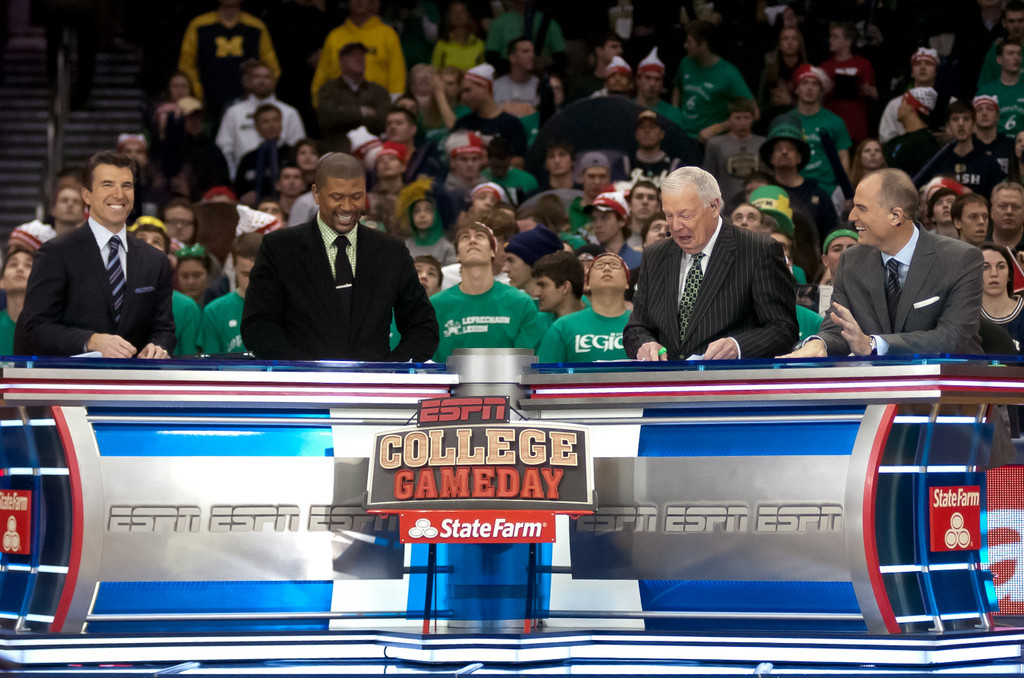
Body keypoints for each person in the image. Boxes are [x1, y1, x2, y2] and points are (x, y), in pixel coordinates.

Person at [241, 152, 438, 361]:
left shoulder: (392, 251)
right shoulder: (280, 247)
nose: (347, 207)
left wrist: (388, 371)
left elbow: (423, 328)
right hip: (303, 387)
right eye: (337, 197)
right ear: (316, 194)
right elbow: (258, 326)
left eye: (356, 197)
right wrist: (303, 371)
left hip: (373, 388)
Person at [782, 169, 983, 358]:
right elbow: (838, 326)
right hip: (879, 386)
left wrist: (873, 344)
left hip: (949, 385)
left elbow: (952, 337)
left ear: (895, 215)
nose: (852, 217)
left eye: (861, 208)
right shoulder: (851, 261)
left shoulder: (960, 259)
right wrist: (819, 343)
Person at [624, 166, 798, 361]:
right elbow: (636, 327)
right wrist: (643, 345)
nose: (675, 226)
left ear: (714, 206)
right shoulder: (654, 255)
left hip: (729, 384)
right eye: (668, 215)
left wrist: (738, 346)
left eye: (686, 215)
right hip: (668, 384)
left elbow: (783, 329)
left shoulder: (758, 250)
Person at [15, 150, 175, 358]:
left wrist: (157, 346)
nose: (119, 194)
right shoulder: (55, 253)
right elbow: (35, 328)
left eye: (126, 185)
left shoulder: (155, 260)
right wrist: (89, 341)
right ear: (86, 195)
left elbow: (164, 329)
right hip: (72, 384)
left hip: (135, 383)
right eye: (107, 184)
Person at [430, 221, 547, 362]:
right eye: (465, 238)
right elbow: (431, 365)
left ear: (493, 251)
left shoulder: (521, 303)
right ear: (458, 255)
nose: (472, 241)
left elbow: (524, 366)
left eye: (479, 236)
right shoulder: (436, 306)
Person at [177, 0, 280, 123]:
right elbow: (186, 65)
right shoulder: (199, 25)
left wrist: (259, 92)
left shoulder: (256, 27)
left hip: (248, 103)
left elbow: (272, 67)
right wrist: (198, 93)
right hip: (207, 103)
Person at [216, 60, 307, 179]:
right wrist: (232, 176)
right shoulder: (234, 112)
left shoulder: (289, 112)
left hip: (284, 177)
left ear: (274, 81)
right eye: (257, 77)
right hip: (244, 177)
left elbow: (299, 148)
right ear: (247, 81)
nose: (262, 81)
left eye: (267, 77)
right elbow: (224, 149)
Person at [672, 20, 758, 142]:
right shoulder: (685, 63)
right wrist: (675, 110)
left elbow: (754, 112)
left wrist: (716, 129)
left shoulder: (729, 73)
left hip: (710, 142)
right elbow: (677, 87)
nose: (685, 45)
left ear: (703, 44)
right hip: (682, 136)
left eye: (690, 42)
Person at [537, 251, 631, 363]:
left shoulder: (643, 325)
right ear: (587, 283)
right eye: (599, 265)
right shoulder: (562, 327)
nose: (606, 268)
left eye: (615, 265)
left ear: (627, 282)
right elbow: (543, 376)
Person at [310, 0, 406, 107]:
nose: (359, 1)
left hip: (377, 110)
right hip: (339, 110)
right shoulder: (334, 37)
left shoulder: (388, 35)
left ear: (373, 2)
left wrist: (393, 109)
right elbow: (321, 78)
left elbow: (397, 79)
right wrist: (320, 108)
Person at [128, 216, 201, 356]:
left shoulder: (186, 306)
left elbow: (190, 362)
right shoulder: (115, 296)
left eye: (157, 241)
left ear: (166, 256)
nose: (148, 244)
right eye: (141, 239)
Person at [316, 42, 393, 153]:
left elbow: (383, 120)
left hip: (372, 150)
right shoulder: (328, 89)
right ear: (341, 61)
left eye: (362, 55)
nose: (359, 59)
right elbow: (327, 119)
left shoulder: (378, 91)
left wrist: (344, 113)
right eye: (353, 55)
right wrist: (363, 111)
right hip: (338, 150)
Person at [199, 232, 262, 354]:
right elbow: (212, 366)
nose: (252, 281)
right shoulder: (214, 312)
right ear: (233, 265)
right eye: (245, 274)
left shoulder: (282, 308)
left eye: (258, 274)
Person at [0, 223, 55, 355]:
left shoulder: (50, 329)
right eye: (13, 264)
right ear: (1, 282)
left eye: (28, 265)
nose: (20, 269)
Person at [819, 22, 877, 146]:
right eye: (831, 36)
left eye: (835, 37)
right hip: (831, 127)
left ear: (848, 42)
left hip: (857, 128)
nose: (831, 40)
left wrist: (870, 91)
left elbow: (874, 94)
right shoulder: (825, 67)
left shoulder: (863, 65)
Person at [702, 98, 766, 201]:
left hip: (757, 199)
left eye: (746, 118)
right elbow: (708, 177)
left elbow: (767, 177)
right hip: (726, 201)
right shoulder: (716, 144)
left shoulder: (762, 143)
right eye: (738, 118)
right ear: (729, 119)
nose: (742, 122)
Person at [878, 48, 939, 144]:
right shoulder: (895, 104)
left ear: (936, 71)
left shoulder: (950, 102)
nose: (922, 67)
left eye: (928, 63)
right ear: (912, 72)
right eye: (917, 64)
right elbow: (885, 139)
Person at [882, 87, 940, 178]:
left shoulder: (926, 143)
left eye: (902, 103)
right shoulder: (895, 141)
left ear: (912, 107)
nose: (899, 108)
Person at [397, 177, 456, 266]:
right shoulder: (404, 247)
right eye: (417, 211)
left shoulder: (447, 248)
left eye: (428, 210)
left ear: (439, 215)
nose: (422, 215)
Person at [980, 242, 1024, 350]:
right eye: (985, 267)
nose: (994, 273)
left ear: (1010, 274)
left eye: (1001, 266)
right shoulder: (967, 316)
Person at [585, 190, 642, 271]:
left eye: (605, 218)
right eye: (594, 219)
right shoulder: (587, 258)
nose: (598, 224)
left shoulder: (639, 260)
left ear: (622, 221)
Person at [503, 226, 565, 298]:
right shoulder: (513, 303)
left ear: (535, 263)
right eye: (505, 260)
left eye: (511, 260)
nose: (505, 269)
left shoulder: (560, 307)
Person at [634, 47, 683, 128]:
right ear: (638, 80)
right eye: (648, 78)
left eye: (657, 79)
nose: (652, 83)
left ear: (662, 83)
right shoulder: (625, 108)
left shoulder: (673, 114)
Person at [431, 1, 485, 71]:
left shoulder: (479, 44)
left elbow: (483, 72)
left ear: (469, 16)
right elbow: (434, 71)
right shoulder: (441, 44)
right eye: (453, 12)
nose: (458, 15)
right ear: (449, 17)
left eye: (462, 11)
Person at [531, 251, 586, 320]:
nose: (536, 293)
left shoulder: (596, 320)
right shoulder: (536, 322)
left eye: (542, 285)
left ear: (565, 287)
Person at [991, 181, 1024, 250]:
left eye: (1015, 207)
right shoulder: (979, 244)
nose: (1009, 211)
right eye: (1003, 206)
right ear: (991, 212)